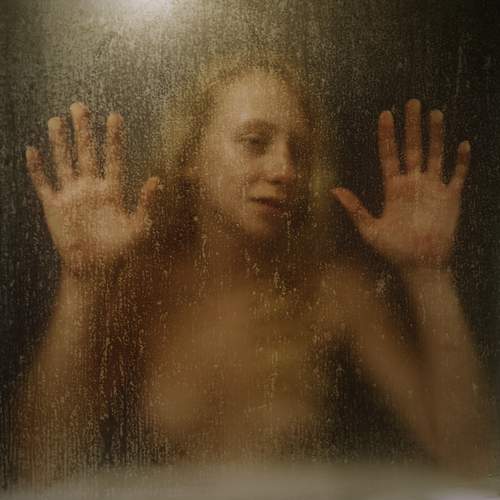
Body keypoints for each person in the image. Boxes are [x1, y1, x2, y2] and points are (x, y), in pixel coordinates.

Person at [17, 53, 492, 485]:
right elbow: (41, 464)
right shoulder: (146, 287)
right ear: (190, 158)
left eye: (298, 151)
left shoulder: (335, 291)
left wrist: (429, 275)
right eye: (254, 142)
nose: (285, 169)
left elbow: (472, 459)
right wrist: (83, 282)